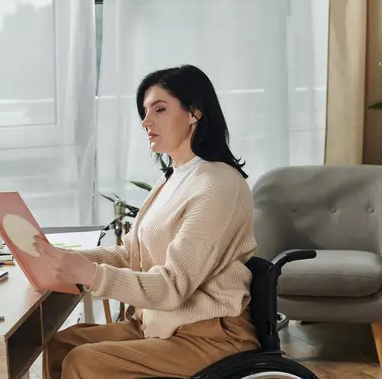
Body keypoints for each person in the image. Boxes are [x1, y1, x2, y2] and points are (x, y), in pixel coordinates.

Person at [33, 64, 259, 379]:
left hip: (210, 336)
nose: (146, 121)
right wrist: (63, 259)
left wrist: (92, 275)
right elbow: (130, 254)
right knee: (60, 346)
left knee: (83, 361)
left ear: (194, 112)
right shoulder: (172, 180)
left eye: (160, 109)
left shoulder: (218, 186)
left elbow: (174, 286)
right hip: (162, 324)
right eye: (145, 111)